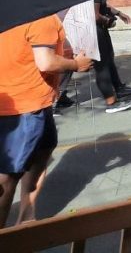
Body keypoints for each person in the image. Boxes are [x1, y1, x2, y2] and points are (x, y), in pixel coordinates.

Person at [0, 15, 92, 227]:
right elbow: (46, 61)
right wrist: (76, 64)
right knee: (8, 176)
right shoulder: (42, 17)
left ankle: (27, 219)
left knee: (43, 152)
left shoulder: (10, 7)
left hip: (28, 102)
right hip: (26, 107)